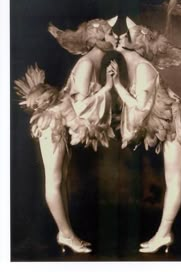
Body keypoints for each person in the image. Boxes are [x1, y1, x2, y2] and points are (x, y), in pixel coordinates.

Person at [107, 14, 181, 254]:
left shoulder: (142, 68)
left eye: (125, 35)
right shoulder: (135, 66)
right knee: (172, 180)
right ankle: (163, 234)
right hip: (167, 124)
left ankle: (164, 234)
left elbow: (140, 109)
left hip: (175, 125)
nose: (118, 37)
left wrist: (117, 85)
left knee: (173, 180)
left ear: (137, 45)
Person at [14, 16, 118, 254]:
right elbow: (81, 106)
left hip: (62, 124)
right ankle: (66, 234)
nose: (116, 37)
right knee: (55, 180)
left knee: (60, 179)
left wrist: (108, 88)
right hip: (53, 124)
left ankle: (67, 233)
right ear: (97, 39)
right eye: (111, 33)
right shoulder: (87, 65)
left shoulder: (93, 63)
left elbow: (80, 107)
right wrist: (108, 89)